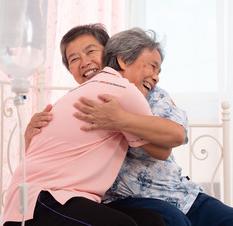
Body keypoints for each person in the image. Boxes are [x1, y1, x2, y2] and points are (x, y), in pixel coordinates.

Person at [3, 25, 186, 226]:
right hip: (42, 199)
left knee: (151, 221)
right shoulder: (118, 90)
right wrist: (30, 136)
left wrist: (119, 118)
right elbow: (168, 146)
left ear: (109, 53)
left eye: (91, 51)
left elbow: (165, 147)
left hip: (73, 197)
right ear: (122, 60)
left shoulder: (107, 91)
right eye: (74, 59)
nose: (85, 62)